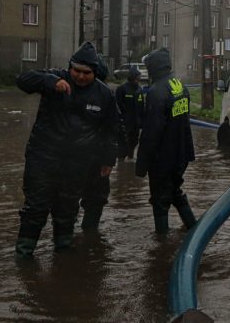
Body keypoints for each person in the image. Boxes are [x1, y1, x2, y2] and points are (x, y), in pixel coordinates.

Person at [14, 42, 118, 258]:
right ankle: (24, 256)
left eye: (86, 73)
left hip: (77, 162)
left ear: (95, 72)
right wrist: (50, 82)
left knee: (67, 208)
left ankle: (63, 255)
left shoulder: (104, 94)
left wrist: (108, 160)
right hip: (42, 157)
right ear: (70, 68)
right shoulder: (54, 78)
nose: (80, 77)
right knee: (36, 207)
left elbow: (111, 129)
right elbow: (22, 81)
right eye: (76, 71)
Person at [135, 48, 196, 234]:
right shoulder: (179, 86)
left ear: (154, 68)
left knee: (160, 200)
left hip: (163, 158)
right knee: (175, 191)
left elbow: (151, 133)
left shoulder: (156, 92)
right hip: (182, 154)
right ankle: (194, 229)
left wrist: (141, 165)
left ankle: (161, 246)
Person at [79, 54, 118, 230]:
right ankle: (88, 238)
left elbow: (114, 129)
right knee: (94, 199)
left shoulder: (105, 95)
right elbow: (113, 130)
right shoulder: (105, 95)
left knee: (91, 200)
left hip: (89, 160)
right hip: (91, 160)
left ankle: (84, 239)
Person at [115, 66, 145, 161]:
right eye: (136, 78)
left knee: (133, 143)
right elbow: (117, 106)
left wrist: (142, 122)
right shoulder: (122, 89)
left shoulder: (139, 90)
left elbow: (142, 107)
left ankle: (130, 161)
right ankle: (121, 165)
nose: (138, 80)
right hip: (124, 123)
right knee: (123, 146)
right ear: (132, 78)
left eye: (139, 78)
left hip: (136, 124)